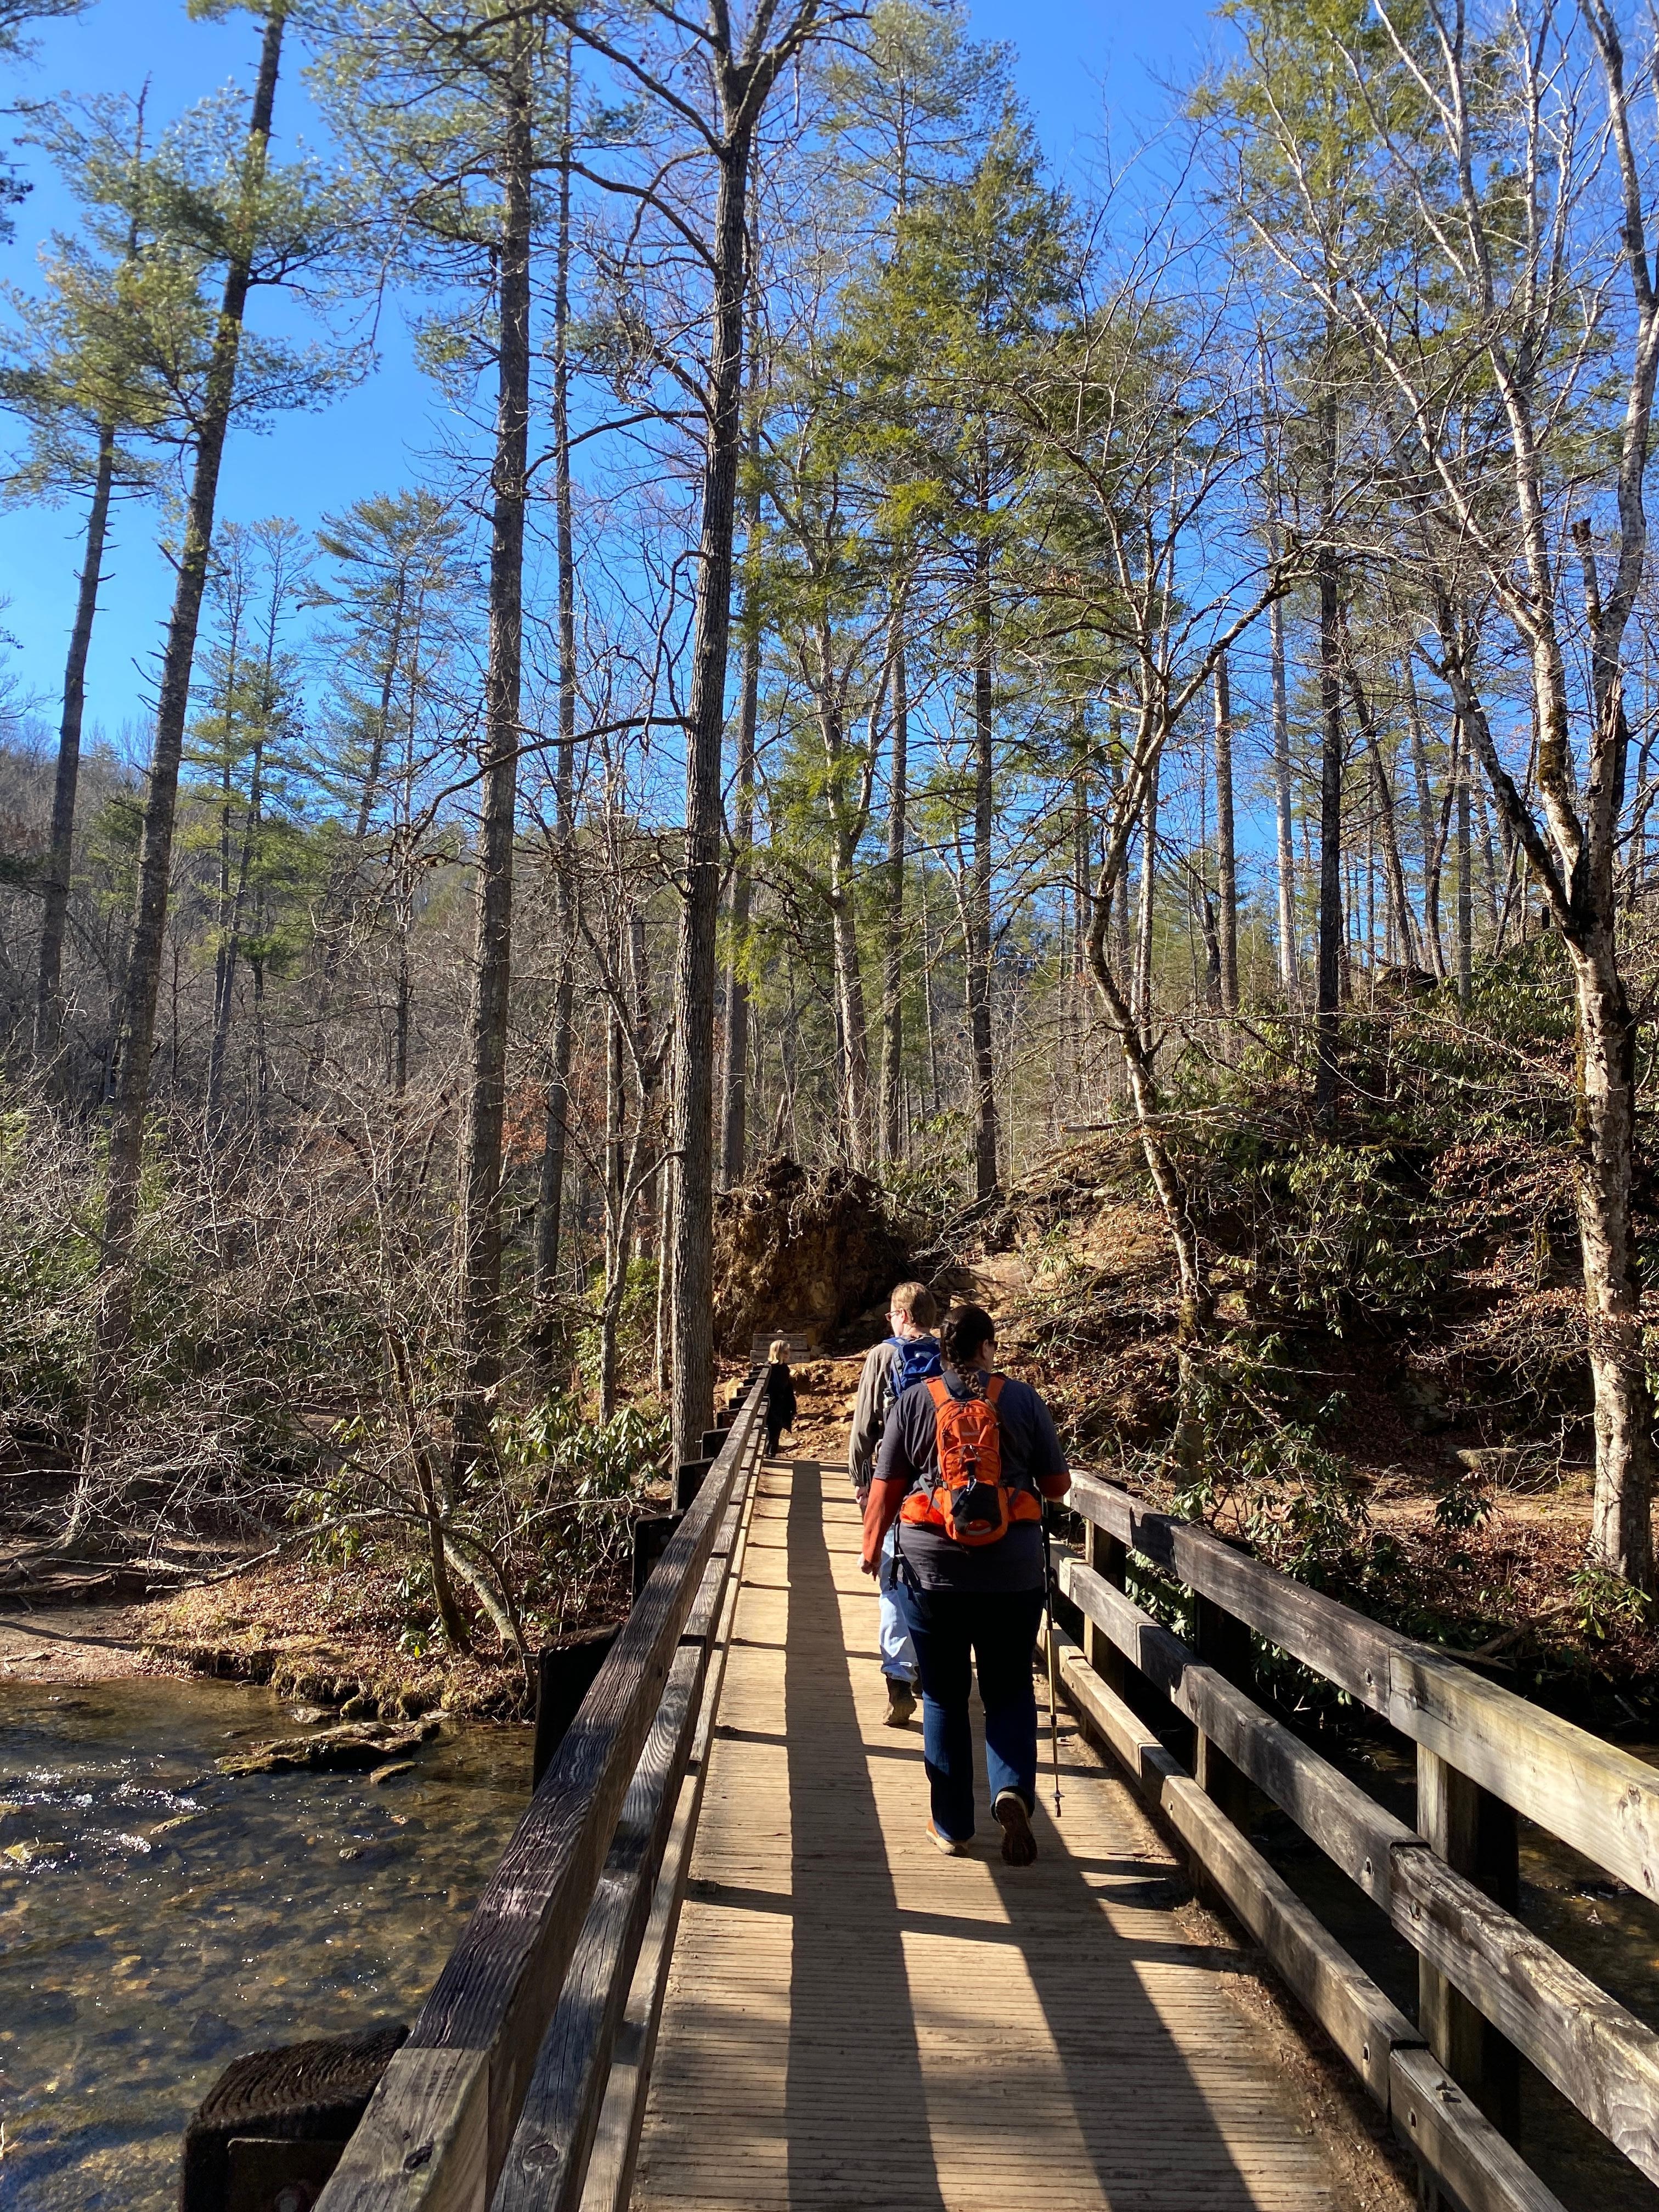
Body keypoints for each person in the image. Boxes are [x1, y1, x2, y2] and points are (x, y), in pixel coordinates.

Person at [861, 1303, 1069, 1864]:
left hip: (932, 1574)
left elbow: (886, 1485)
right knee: (1009, 1689)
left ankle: (953, 1826)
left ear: (944, 1351)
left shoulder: (915, 1401)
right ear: (986, 1347)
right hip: (1012, 1575)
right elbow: (1056, 1486)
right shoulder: (1022, 1399)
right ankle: (1010, 1790)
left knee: (945, 1696)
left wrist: (870, 1549)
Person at [849, 1282, 942, 1726]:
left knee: (891, 1580)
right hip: (941, 1487)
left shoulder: (884, 1355)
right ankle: (928, 1669)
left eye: (891, 1315)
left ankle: (899, 1682)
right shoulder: (949, 1354)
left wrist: (860, 1480)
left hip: (894, 1483)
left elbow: (864, 1425)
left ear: (902, 1315)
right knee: (932, 1578)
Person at [764, 1340, 797, 1458]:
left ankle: (771, 1455)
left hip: (781, 1405)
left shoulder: (785, 1369)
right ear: (777, 1352)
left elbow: (788, 1389)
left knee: (776, 1430)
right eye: (785, 1352)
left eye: (788, 1352)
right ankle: (768, 1454)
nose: (788, 1354)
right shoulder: (768, 1368)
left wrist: (793, 1408)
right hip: (770, 1404)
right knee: (771, 1430)